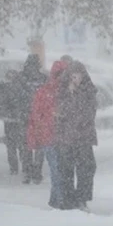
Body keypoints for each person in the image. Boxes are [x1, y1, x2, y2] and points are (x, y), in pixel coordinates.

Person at [55, 60, 99, 211]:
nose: (76, 79)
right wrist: (70, 94)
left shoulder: (89, 91)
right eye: (73, 76)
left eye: (79, 76)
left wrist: (77, 95)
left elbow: (89, 112)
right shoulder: (62, 92)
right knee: (66, 169)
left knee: (87, 168)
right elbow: (60, 112)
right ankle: (68, 200)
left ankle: (81, 199)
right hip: (66, 137)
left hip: (84, 137)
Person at [27, 60, 69, 208]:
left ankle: (55, 199)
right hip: (51, 137)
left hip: (57, 137)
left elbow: (35, 117)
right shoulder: (49, 92)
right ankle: (60, 200)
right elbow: (36, 117)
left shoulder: (47, 92)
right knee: (57, 170)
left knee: (59, 170)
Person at [11, 55, 48, 183]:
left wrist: (20, 110)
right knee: (39, 145)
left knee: (25, 145)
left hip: (25, 116)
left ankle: (27, 171)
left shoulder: (20, 78)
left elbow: (15, 97)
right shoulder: (43, 78)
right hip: (40, 117)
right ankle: (37, 171)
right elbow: (48, 97)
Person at [0, 70, 22, 175]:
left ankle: (13, 168)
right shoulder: (22, 86)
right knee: (22, 142)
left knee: (10, 144)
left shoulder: (3, 86)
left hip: (8, 119)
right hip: (20, 118)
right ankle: (25, 163)